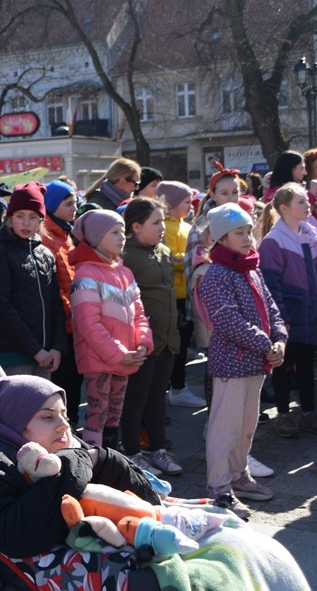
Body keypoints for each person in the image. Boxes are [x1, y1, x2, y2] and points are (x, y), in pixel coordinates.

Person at [0, 375, 159, 561]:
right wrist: (76, 463)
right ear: (14, 422)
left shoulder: (71, 446)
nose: (64, 425)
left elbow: (150, 504)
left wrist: (104, 460)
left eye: (65, 415)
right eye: (48, 416)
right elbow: (10, 537)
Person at [198, 204, 287, 515]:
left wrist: (279, 340)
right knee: (225, 428)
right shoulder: (216, 275)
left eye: (250, 231)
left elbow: (272, 310)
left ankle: (239, 476)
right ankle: (218, 486)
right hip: (231, 365)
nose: (249, 237)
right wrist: (266, 345)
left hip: (255, 363)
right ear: (221, 239)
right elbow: (227, 320)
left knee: (246, 426)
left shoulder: (252, 269)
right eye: (240, 233)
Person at [258, 183, 317, 439]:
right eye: (300, 202)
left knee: (307, 367)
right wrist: (282, 318)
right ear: (284, 208)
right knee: (284, 368)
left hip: (311, 315)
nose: (307, 205)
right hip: (290, 316)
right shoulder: (273, 242)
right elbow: (271, 287)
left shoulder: (313, 237)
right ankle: (284, 414)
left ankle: (308, 413)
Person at [69, 210, 152, 449]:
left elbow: (138, 313)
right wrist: (120, 354)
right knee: (97, 414)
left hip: (125, 357)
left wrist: (142, 343)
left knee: (114, 414)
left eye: (122, 231)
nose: (122, 237)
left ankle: (111, 457)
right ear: (95, 237)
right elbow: (89, 325)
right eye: (114, 232)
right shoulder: (86, 274)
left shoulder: (125, 272)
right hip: (99, 360)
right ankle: (95, 462)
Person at [120, 197, 183, 476]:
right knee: (136, 399)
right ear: (135, 226)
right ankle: (132, 451)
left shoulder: (162, 250)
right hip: (142, 342)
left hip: (167, 339)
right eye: (155, 222)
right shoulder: (126, 257)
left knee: (158, 397)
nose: (161, 227)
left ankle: (157, 449)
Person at [0, 182, 65, 377]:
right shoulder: (1, 253)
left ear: (40, 221)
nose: (26, 223)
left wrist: (57, 346)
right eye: (20, 216)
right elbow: (2, 306)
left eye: (33, 217)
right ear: (10, 218)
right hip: (14, 353)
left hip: (46, 353)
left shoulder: (45, 254)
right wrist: (35, 350)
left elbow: (56, 303)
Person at [157, 181, 206, 409]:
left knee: (183, 343)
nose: (191, 205)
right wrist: (192, 260)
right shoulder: (165, 227)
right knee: (176, 345)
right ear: (172, 203)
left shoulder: (186, 226)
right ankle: (176, 387)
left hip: (187, 292)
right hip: (173, 295)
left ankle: (178, 385)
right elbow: (168, 258)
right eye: (186, 202)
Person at [41, 180, 83, 428]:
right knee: (63, 384)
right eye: (68, 204)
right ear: (52, 205)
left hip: (72, 320)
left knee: (74, 383)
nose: (74, 209)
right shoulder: (47, 237)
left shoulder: (66, 233)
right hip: (60, 325)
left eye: (75, 203)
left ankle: (72, 426)